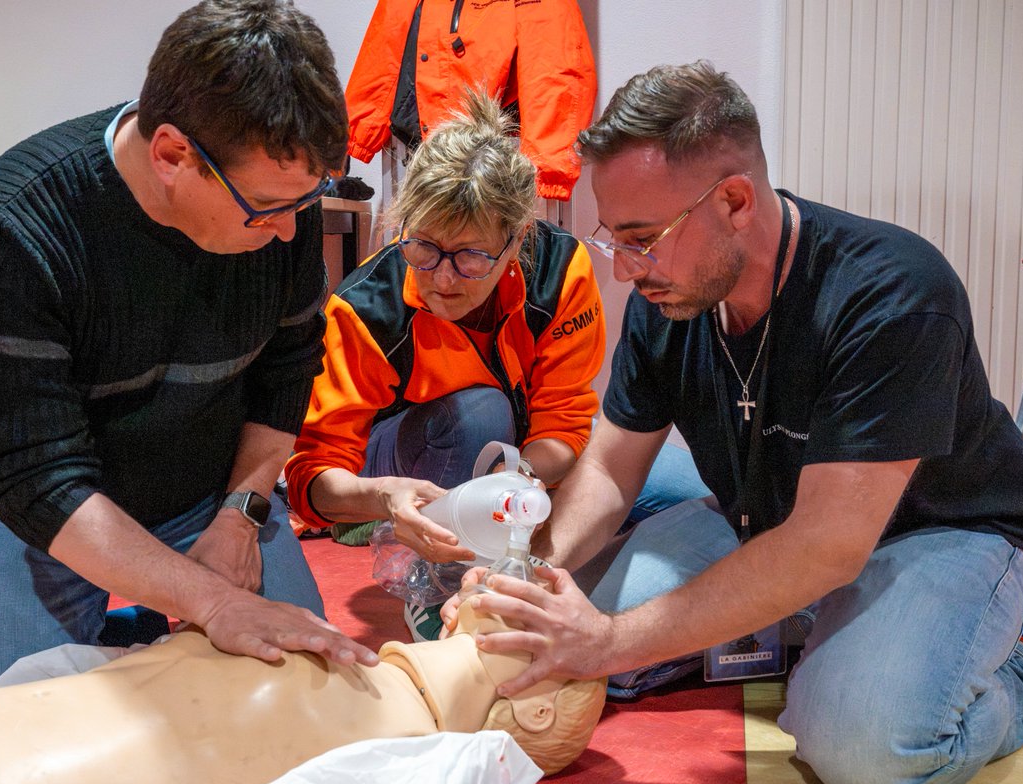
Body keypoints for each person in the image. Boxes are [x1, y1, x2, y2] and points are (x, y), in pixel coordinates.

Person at [445, 61, 1023, 784]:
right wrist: (525, 571)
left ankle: (1004, 670)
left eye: (643, 238)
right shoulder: (674, 296)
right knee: (559, 632)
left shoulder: (894, 293)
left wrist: (610, 641)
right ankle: (813, 630)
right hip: (768, 522)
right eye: (612, 239)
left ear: (734, 201)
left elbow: (827, 545)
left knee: (868, 752)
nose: (625, 270)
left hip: (934, 535)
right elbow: (611, 472)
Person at [0, 0, 378, 696]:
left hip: (211, 487)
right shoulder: (18, 222)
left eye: (308, 203)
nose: (292, 235)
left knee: (303, 695)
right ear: (173, 155)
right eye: (269, 209)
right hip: (53, 506)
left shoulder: (280, 211)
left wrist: (241, 515)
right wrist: (210, 600)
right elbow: (35, 477)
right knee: (13, 726)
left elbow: (286, 375)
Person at [282, 91, 709, 642]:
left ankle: (551, 554)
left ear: (516, 242)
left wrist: (521, 480)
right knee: (478, 414)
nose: (442, 277)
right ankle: (441, 583)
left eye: (472, 256)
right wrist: (385, 497)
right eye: (424, 247)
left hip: (525, 460)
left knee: (706, 492)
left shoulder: (560, 272)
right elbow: (311, 483)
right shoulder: (365, 309)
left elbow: (564, 423)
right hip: (401, 465)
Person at [0, 598, 606, 784]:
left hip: (3, 767)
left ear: (536, 707)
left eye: (535, 618)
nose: (490, 587)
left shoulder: (422, 763)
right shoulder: (352, 663)